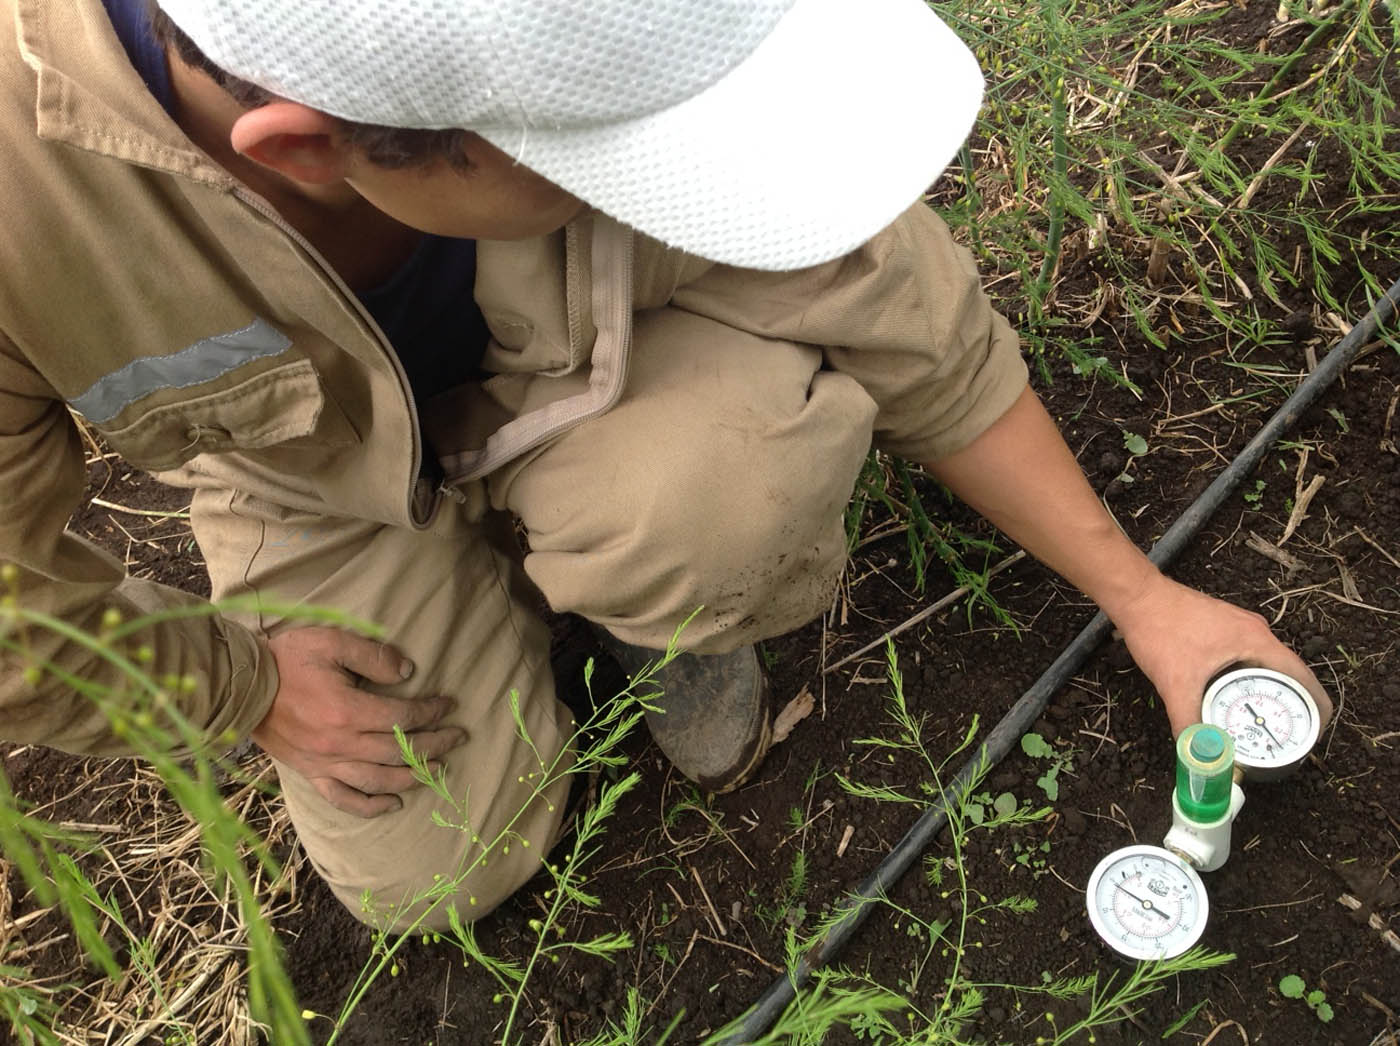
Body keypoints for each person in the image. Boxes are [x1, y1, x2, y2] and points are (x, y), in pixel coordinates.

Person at [0, 0, 1331, 932]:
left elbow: (890, 290)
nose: (660, 172)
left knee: (718, 505)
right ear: (304, 145)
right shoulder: (25, 196)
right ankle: (500, 585)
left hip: (584, 370)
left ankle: (638, 582)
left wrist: (1141, 599)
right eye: (616, 158)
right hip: (318, 482)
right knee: (432, 873)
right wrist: (234, 685)